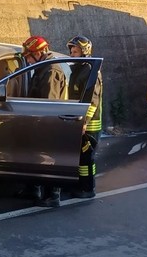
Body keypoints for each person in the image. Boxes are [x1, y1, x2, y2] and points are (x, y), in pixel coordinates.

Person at [21, 35, 67, 207]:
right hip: (39, 121)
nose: (27, 60)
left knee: (48, 158)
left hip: (49, 123)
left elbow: (49, 103)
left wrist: (41, 125)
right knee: (35, 156)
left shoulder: (51, 71)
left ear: (38, 53)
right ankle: (34, 189)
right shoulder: (43, 68)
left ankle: (52, 195)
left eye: (28, 56)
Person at [66, 35, 102, 198]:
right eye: (72, 52)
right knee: (81, 157)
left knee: (87, 158)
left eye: (75, 52)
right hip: (79, 121)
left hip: (89, 124)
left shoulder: (89, 71)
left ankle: (88, 188)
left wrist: (83, 122)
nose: (72, 55)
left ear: (84, 51)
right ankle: (80, 184)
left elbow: (92, 101)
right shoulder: (80, 69)